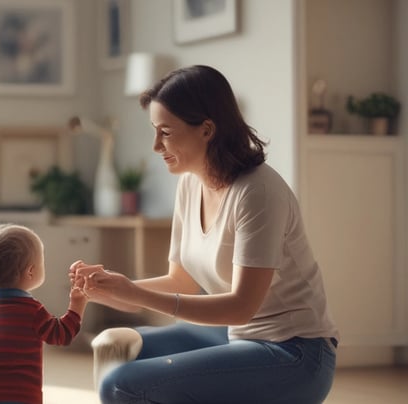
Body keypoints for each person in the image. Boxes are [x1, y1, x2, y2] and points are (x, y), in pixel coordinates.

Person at [71, 65, 339, 403]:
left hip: (295, 353)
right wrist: (111, 288)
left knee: (123, 384)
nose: (156, 145)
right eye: (155, 131)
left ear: (207, 129)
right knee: (118, 347)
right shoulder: (189, 183)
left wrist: (135, 295)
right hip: (235, 336)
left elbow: (241, 307)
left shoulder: (258, 192)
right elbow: (180, 282)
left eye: (165, 132)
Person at [0, 223, 88, 404]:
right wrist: (78, 302)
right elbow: (62, 335)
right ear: (31, 272)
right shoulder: (33, 312)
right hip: (24, 396)